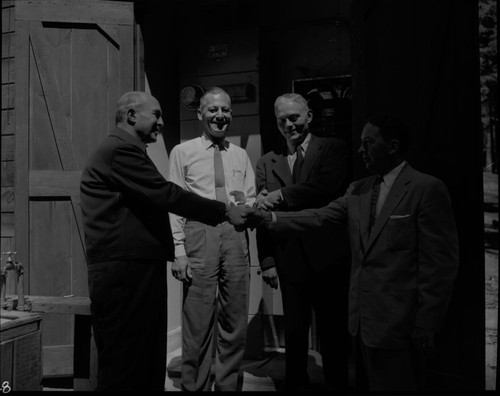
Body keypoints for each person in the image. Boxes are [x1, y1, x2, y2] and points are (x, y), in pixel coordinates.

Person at [247, 114, 459, 391]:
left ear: (392, 146)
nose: (360, 150)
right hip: (363, 323)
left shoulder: (426, 189)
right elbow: (319, 216)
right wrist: (268, 219)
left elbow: (440, 264)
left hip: (402, 323)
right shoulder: (358, 189)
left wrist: (427, 322)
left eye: (368, 143)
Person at [80, 91, 252, 391]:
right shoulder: (121, 150)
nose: (161, 122)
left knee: (144, 354)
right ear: (132, 115)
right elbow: (167, 194)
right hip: (125, 271)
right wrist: (221, 211)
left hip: (138, 266)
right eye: (156, 115)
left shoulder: (129, 150)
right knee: (127, 359)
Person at [254, 93, 351, 392]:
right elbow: (261, 215)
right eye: (282, 120)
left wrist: (280, 196)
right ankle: (296, 385)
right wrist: (267, 261)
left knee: (333, 332)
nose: (288, 125)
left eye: (294, 117)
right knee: (295, 334)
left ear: (309, 115)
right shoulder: (267, 162)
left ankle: (337, 385)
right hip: (289, 259)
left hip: (329, 258)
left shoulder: (332, 149)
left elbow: (324, 186)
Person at [168, 87, 256, 391]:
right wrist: (178, 251)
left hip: (234, 235)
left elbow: (251, 197)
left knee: (234, 318)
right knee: (197, 321)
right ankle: (195, 387)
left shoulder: (240, 155)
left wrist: (249, 208)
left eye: (226, 110)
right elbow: (174, 204)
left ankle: (229, 385)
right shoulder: (183, 152)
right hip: (199, 233)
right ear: (200, 114)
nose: (220, 116)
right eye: (213, 110)